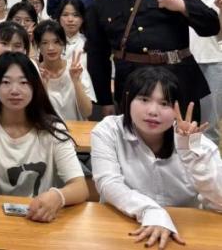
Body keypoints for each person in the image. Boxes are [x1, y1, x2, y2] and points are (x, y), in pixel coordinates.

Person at [85, 0, 219, 119]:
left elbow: (211, 26)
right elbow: (97, 56)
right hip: (131, 86)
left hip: (178, 80)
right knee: (133, 135)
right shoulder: (100, 4)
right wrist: (105, 100)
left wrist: (182, 6)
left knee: (183, 135)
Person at [91, 66, 222, 249]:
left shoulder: (195, 142)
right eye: (144, 99)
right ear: (128, 99)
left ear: (177, 107)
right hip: (125, 228)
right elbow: (108, 184)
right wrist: (151, 211)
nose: (153, 111)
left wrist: (190, 152)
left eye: (165, 103)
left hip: (184, 233)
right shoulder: (108, 131)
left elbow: (219, 201)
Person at [0, 52, 89, 222]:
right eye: (6, 82)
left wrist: (58, 196)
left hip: (40, 220)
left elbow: (80, 187)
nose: (15, 90)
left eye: (23, 82)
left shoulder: (53, 130)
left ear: (35, 87)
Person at [177, 0, 222, 143]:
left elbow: (220, 35)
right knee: (183, 113)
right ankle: (184, 152)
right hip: (183, 64)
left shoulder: (214, 1)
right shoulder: (175, 2)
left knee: (210, 115)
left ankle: (209, 154)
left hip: (212, 62)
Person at [34, 20, 95, 121]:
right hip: (48, 128)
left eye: (56, 42)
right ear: (38, 46)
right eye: (45, 43)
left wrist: (76, 81)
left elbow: (87, 112)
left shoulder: (76, 68)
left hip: (77, 128)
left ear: (63, 43)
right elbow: (35, 114)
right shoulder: (35, 72)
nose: (51, 48)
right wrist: (43, 87)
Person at [56, 0, 86, 64]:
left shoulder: (89, 44)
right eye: (65, 15)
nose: (70, 19)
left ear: (82, 19)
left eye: (75, 15)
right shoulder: (51, 43)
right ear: (59, 18)